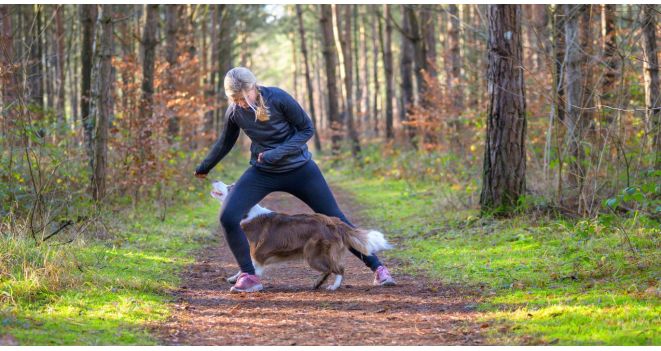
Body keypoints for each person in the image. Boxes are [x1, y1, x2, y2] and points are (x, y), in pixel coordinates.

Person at [194, 67, 396, 293]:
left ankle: (378, 269)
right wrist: (204, 167)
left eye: (243, 97)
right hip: (263, 172)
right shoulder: (234, 111)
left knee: (336, 220)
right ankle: (249, 276)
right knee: (228, 216)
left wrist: (277, 153)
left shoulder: (278, 98)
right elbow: (225, 142)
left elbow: (306, 129)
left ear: (254, 88)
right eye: (235, 99)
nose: (240, 102)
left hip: (299, 169)